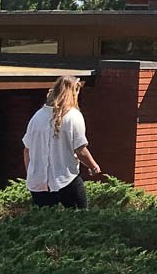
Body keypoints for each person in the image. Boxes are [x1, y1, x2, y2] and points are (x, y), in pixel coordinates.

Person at [23, 74, 101, 209]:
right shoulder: (73, 116)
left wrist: (31, 172)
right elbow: (80, 150)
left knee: (45, 223)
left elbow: (27, 150)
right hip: (66, 179)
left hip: (38, 183)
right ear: (73, 92)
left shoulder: (37, 116)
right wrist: (93, 166)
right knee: (80, 219)